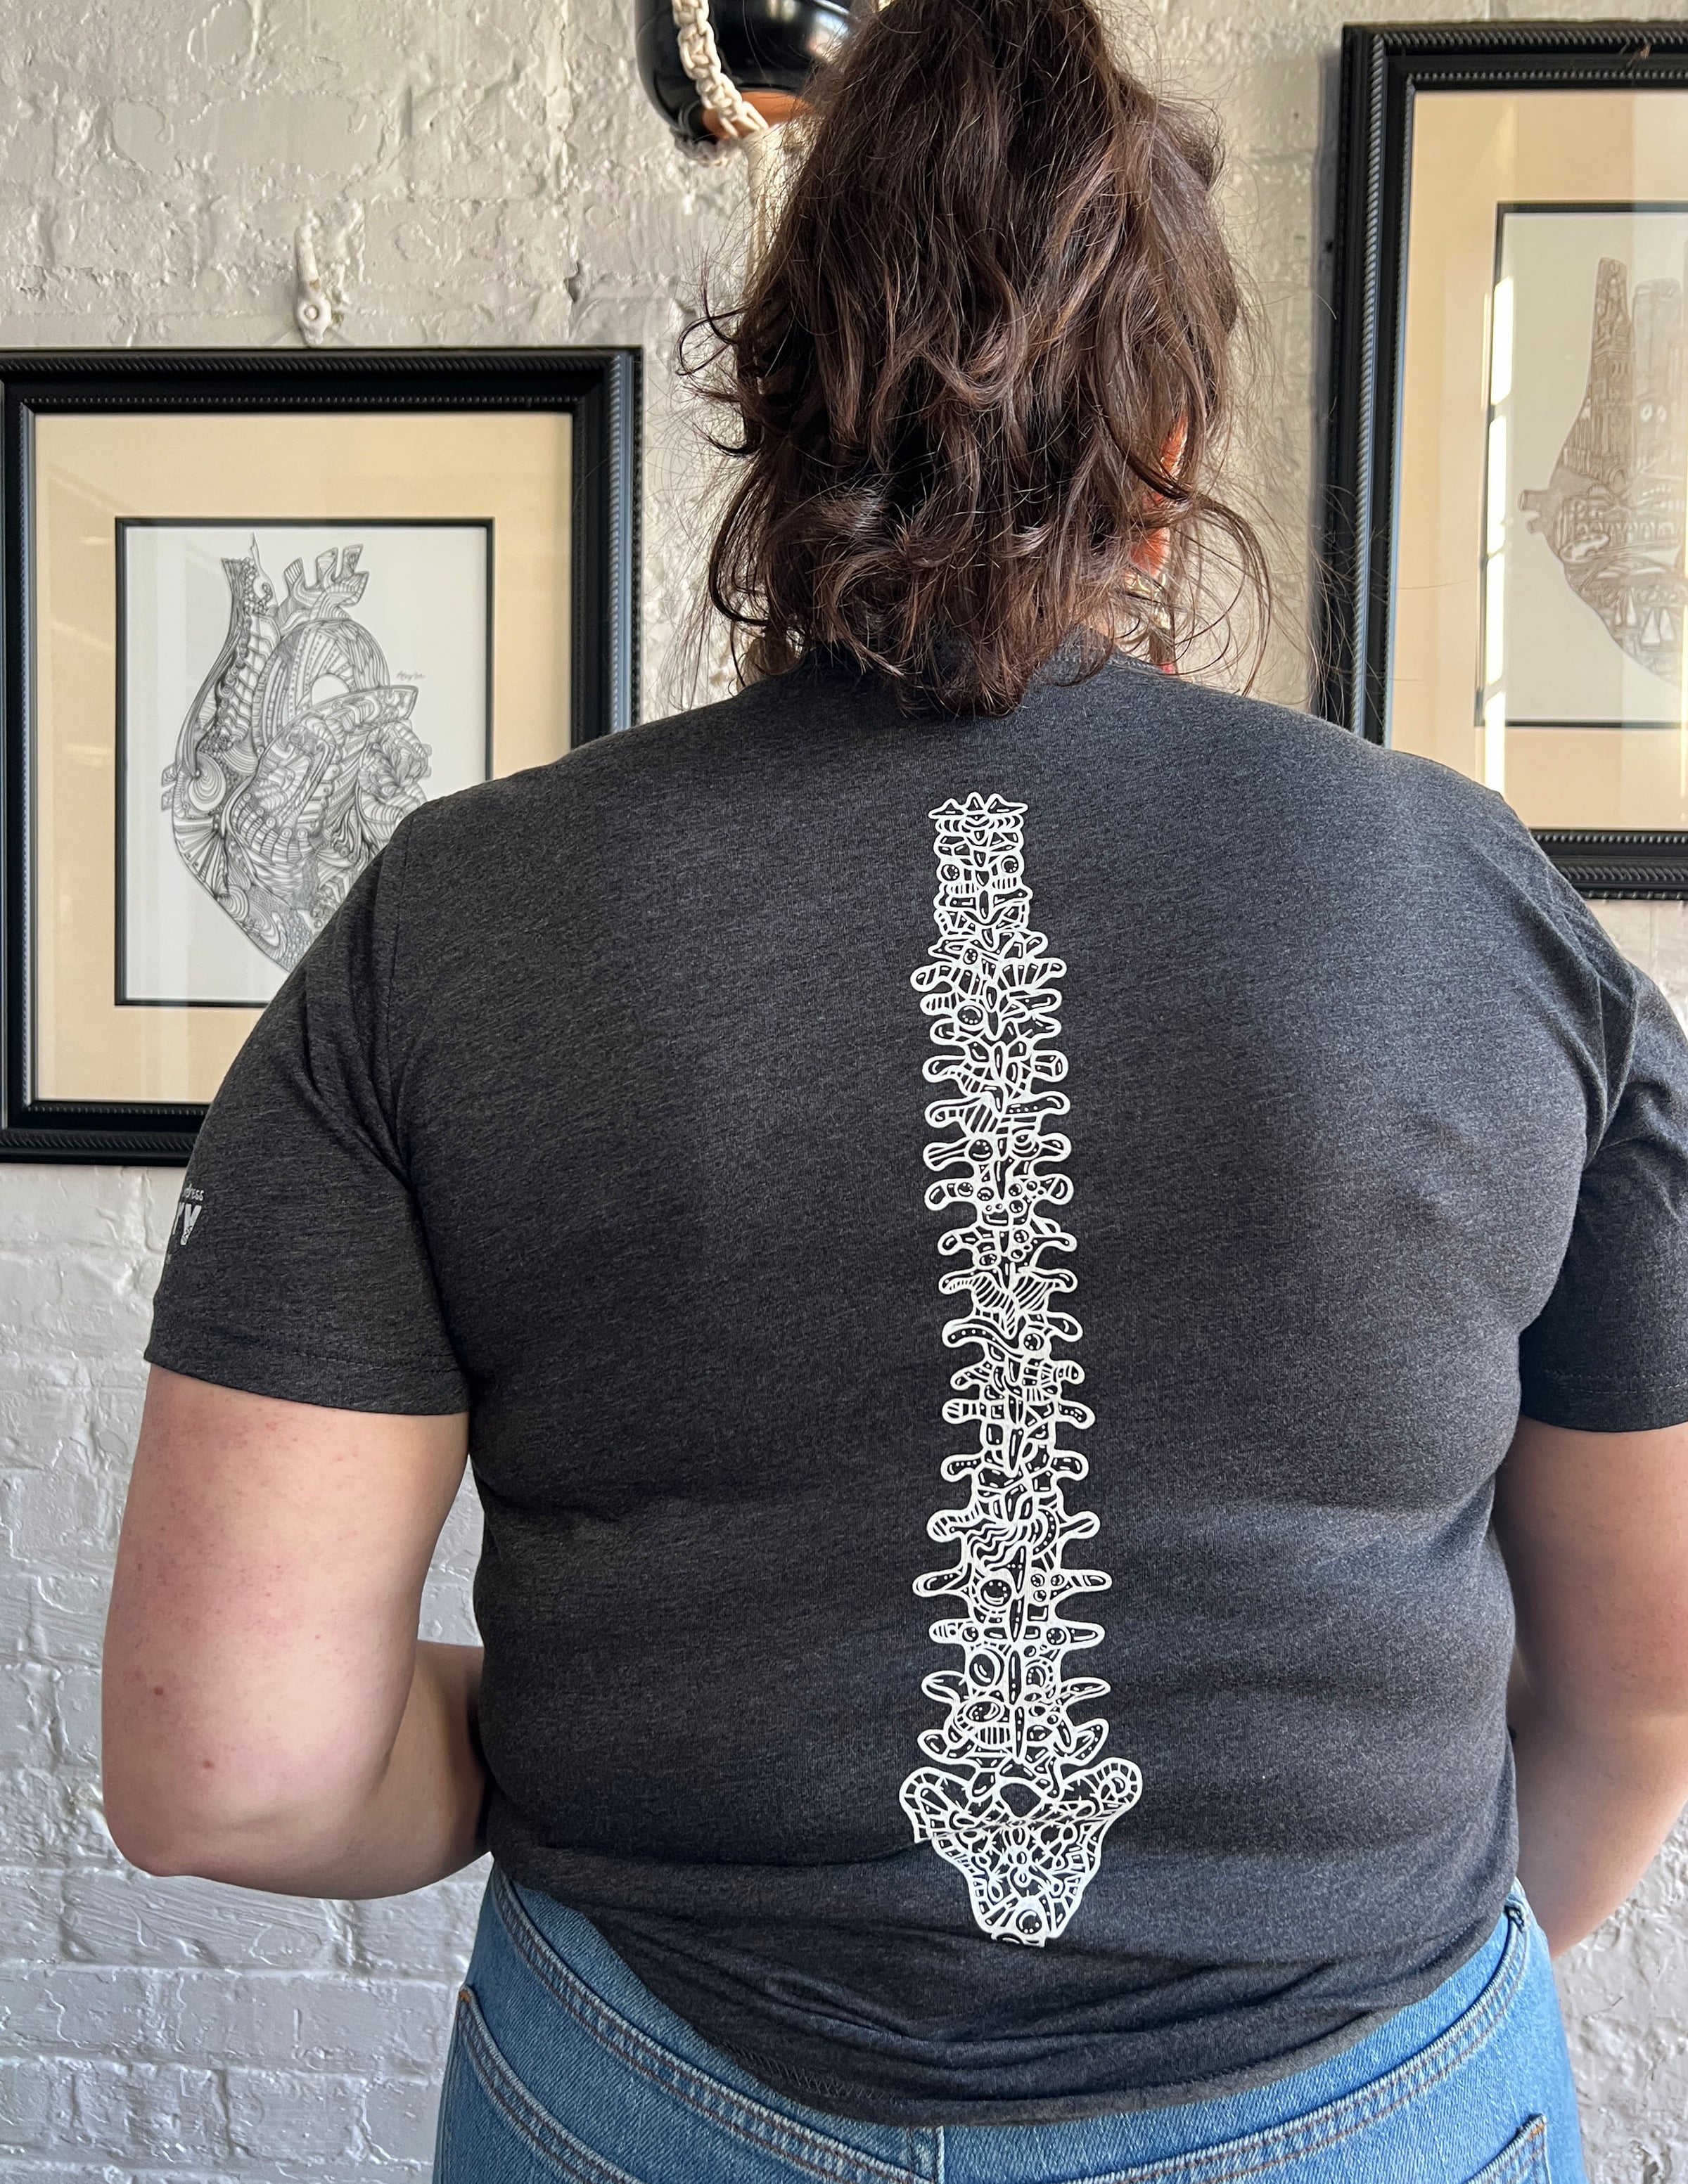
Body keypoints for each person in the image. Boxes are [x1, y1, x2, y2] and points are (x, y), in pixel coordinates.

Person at [101, 0, 1688, 2176]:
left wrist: (574, 1741)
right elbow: (1639, 1689)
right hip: (1358, 2097)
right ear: (1169, 451)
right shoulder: (1486, 907)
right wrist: (1372, 2052)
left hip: (659, 2102)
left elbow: (238, 1766)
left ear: (775, 408)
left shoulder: (457, 925)